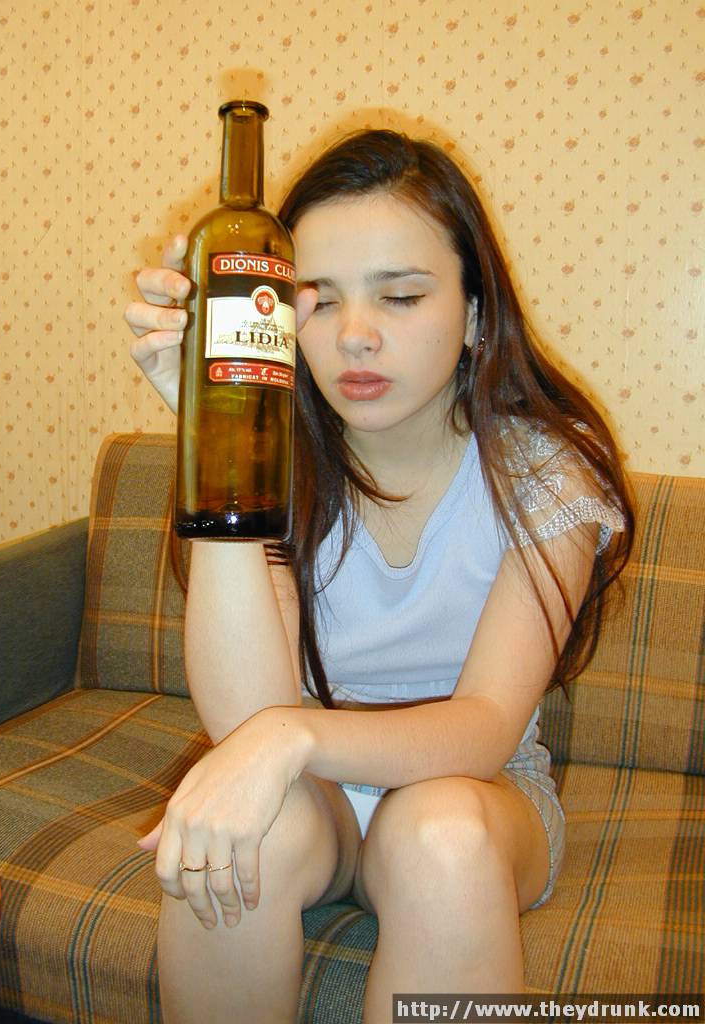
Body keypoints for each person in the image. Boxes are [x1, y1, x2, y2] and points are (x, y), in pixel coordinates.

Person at [124, 128, 634, 1024]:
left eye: (400, 296)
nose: (355, 336)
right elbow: (248, 718)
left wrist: (293, 741)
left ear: (476, 314)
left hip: (477, 792)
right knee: (246, 837)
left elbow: (484, 727)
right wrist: (214, 427)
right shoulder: (282, 459)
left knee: (443, 837)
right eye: (317, 302)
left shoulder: (548, 474)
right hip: (314, 798)